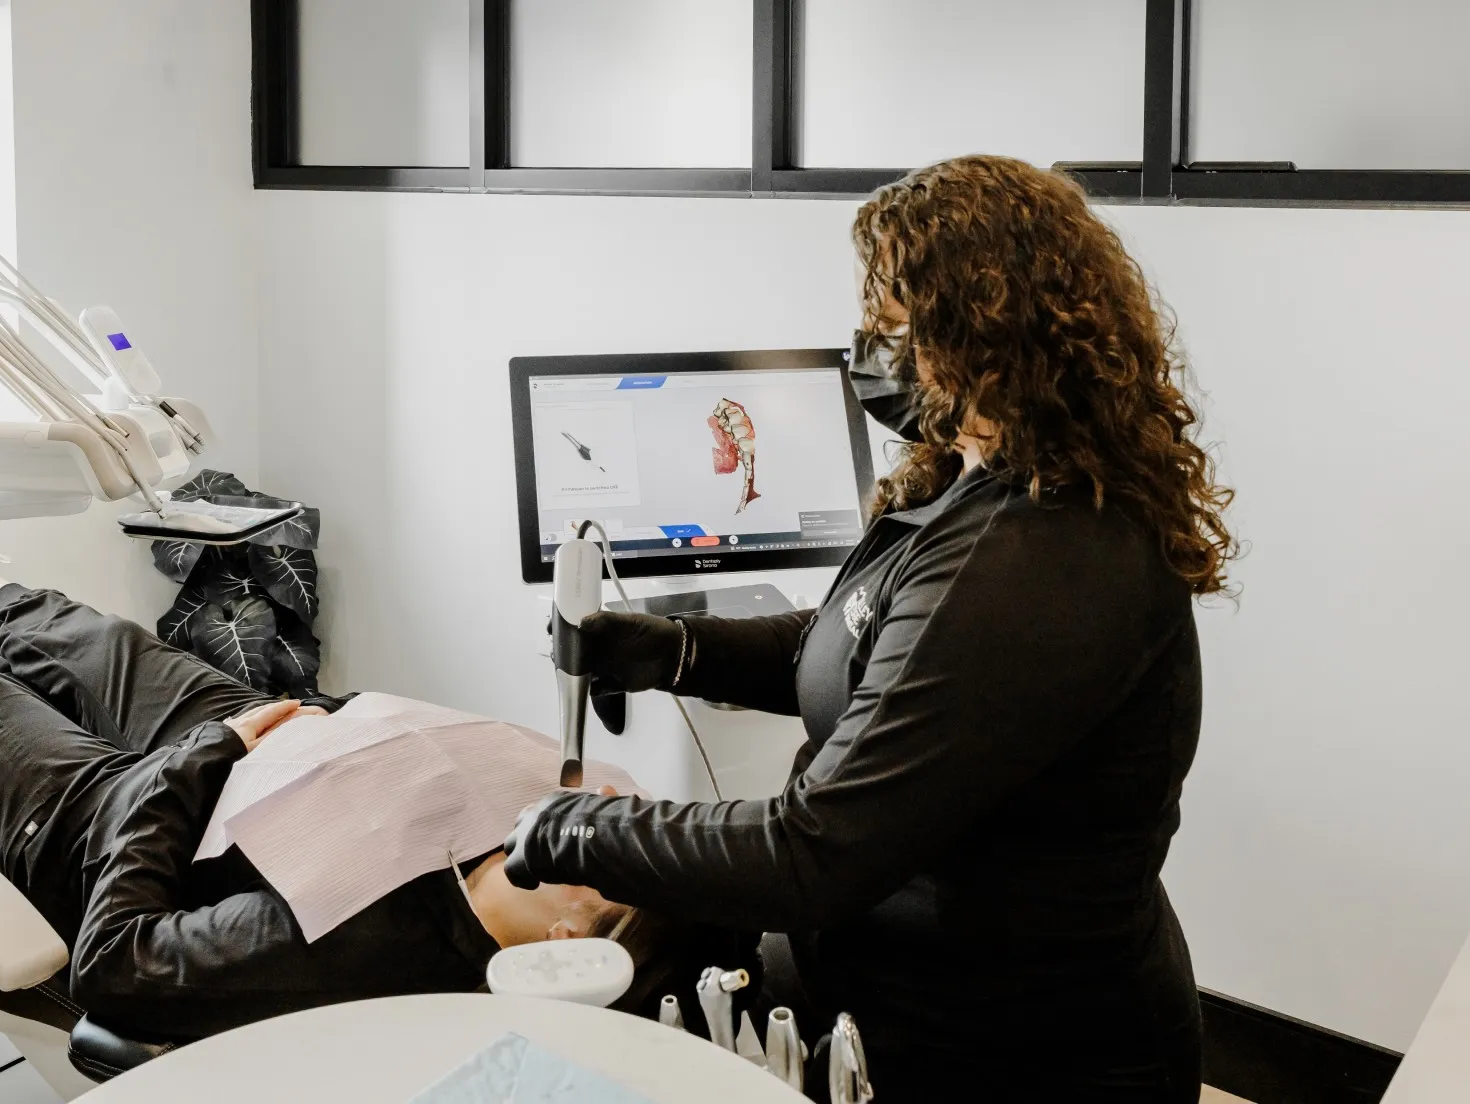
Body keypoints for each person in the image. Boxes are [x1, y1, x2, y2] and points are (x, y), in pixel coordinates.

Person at [503, 155, 1238, 1102]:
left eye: (891, 326)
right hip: (900, 997)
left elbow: (816, 855)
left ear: (982, 330)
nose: (868, 349)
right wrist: (667, 648)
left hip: (1023, 1050)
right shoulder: (975, 482)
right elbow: (864, 643)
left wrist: (578, 829)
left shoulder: (1042, 555)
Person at [0, 493, 671, 1043]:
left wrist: (201, 761)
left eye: (589, 858)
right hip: (268, 765)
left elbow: (116, 964)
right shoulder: (499, 848)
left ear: (568, 932)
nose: (575, 826)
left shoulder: (363, 943)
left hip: (115, 837)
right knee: (98, 640)